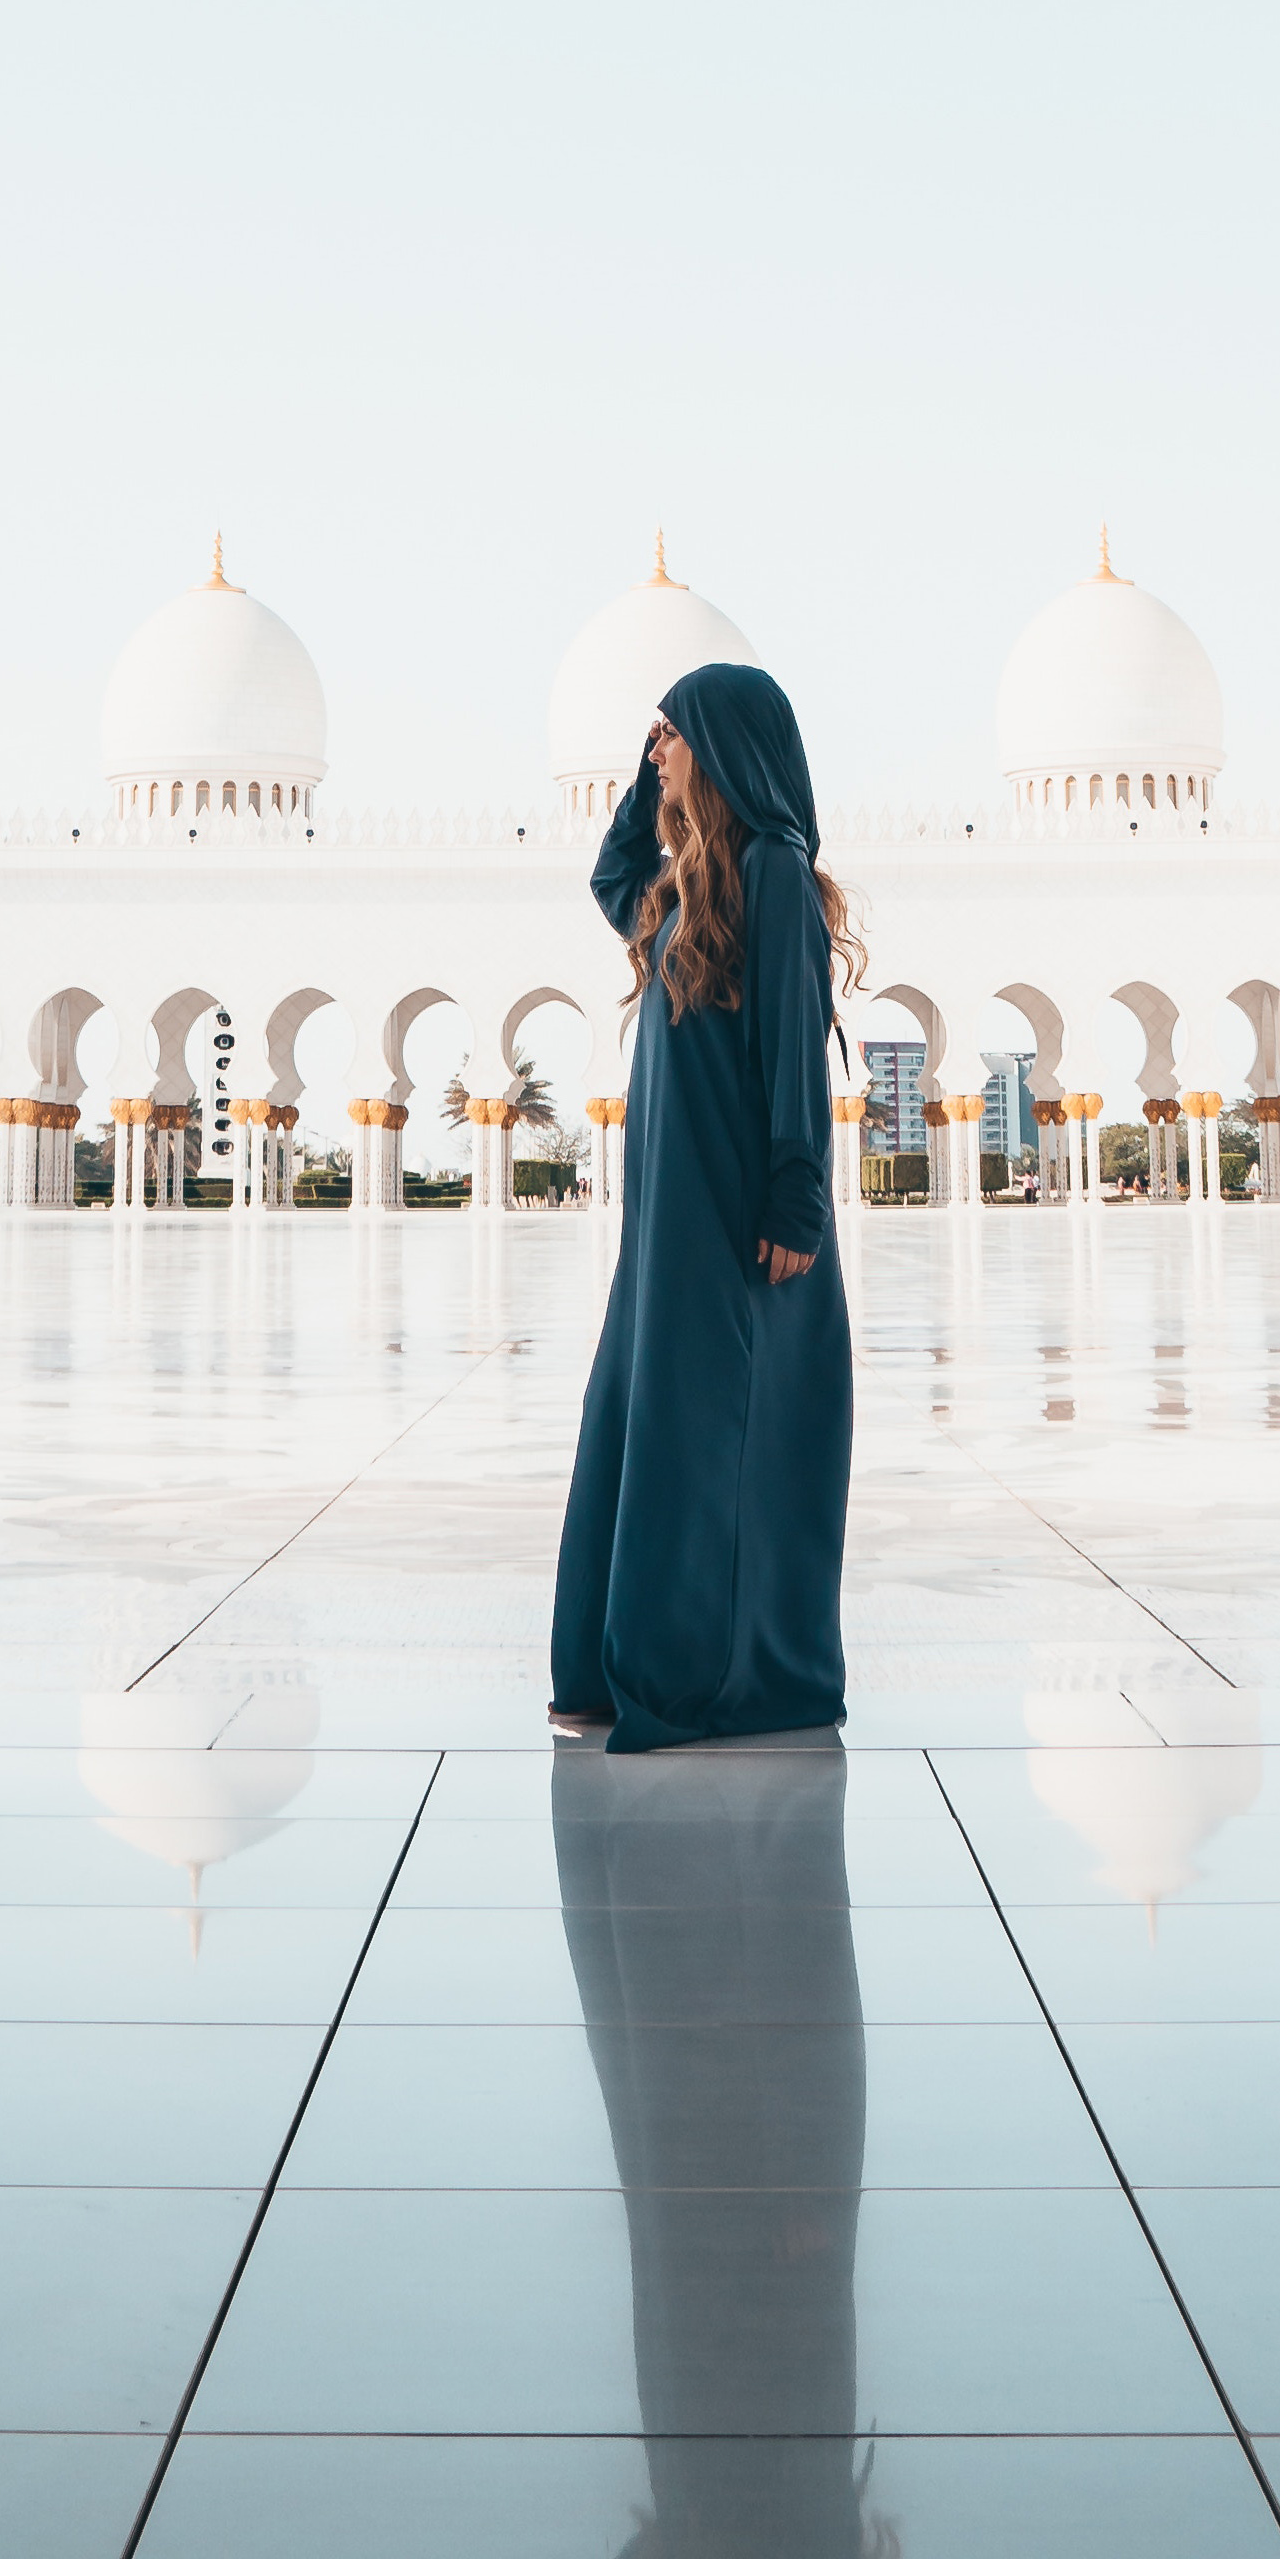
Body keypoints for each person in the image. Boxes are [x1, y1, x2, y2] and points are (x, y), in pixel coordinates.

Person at [550, 661, 857, 1756]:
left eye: (673, 736)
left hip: (731, 1211)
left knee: (713, 1432)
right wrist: (643, 786)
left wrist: (795, 1193)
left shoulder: (774, 874)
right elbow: (609, 878)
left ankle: (706, 1671)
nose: (660, 751)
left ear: (723, 751)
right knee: (643, 1420)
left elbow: (792, 1055)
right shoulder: (687, 891)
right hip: (665, 1217)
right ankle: (604, 1667)